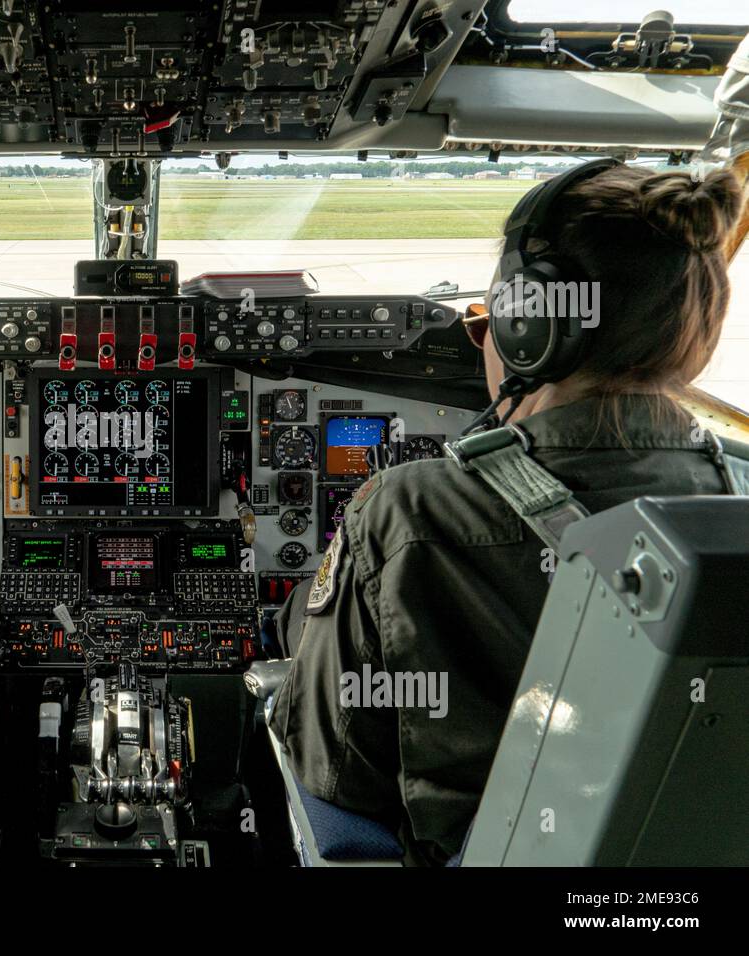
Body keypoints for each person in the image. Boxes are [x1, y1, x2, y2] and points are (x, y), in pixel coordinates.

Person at [268, 162, 747, 866]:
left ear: (531, 328)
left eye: (491, 319)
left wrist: (298, 638)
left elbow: (331, 767)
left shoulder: (411, 512)